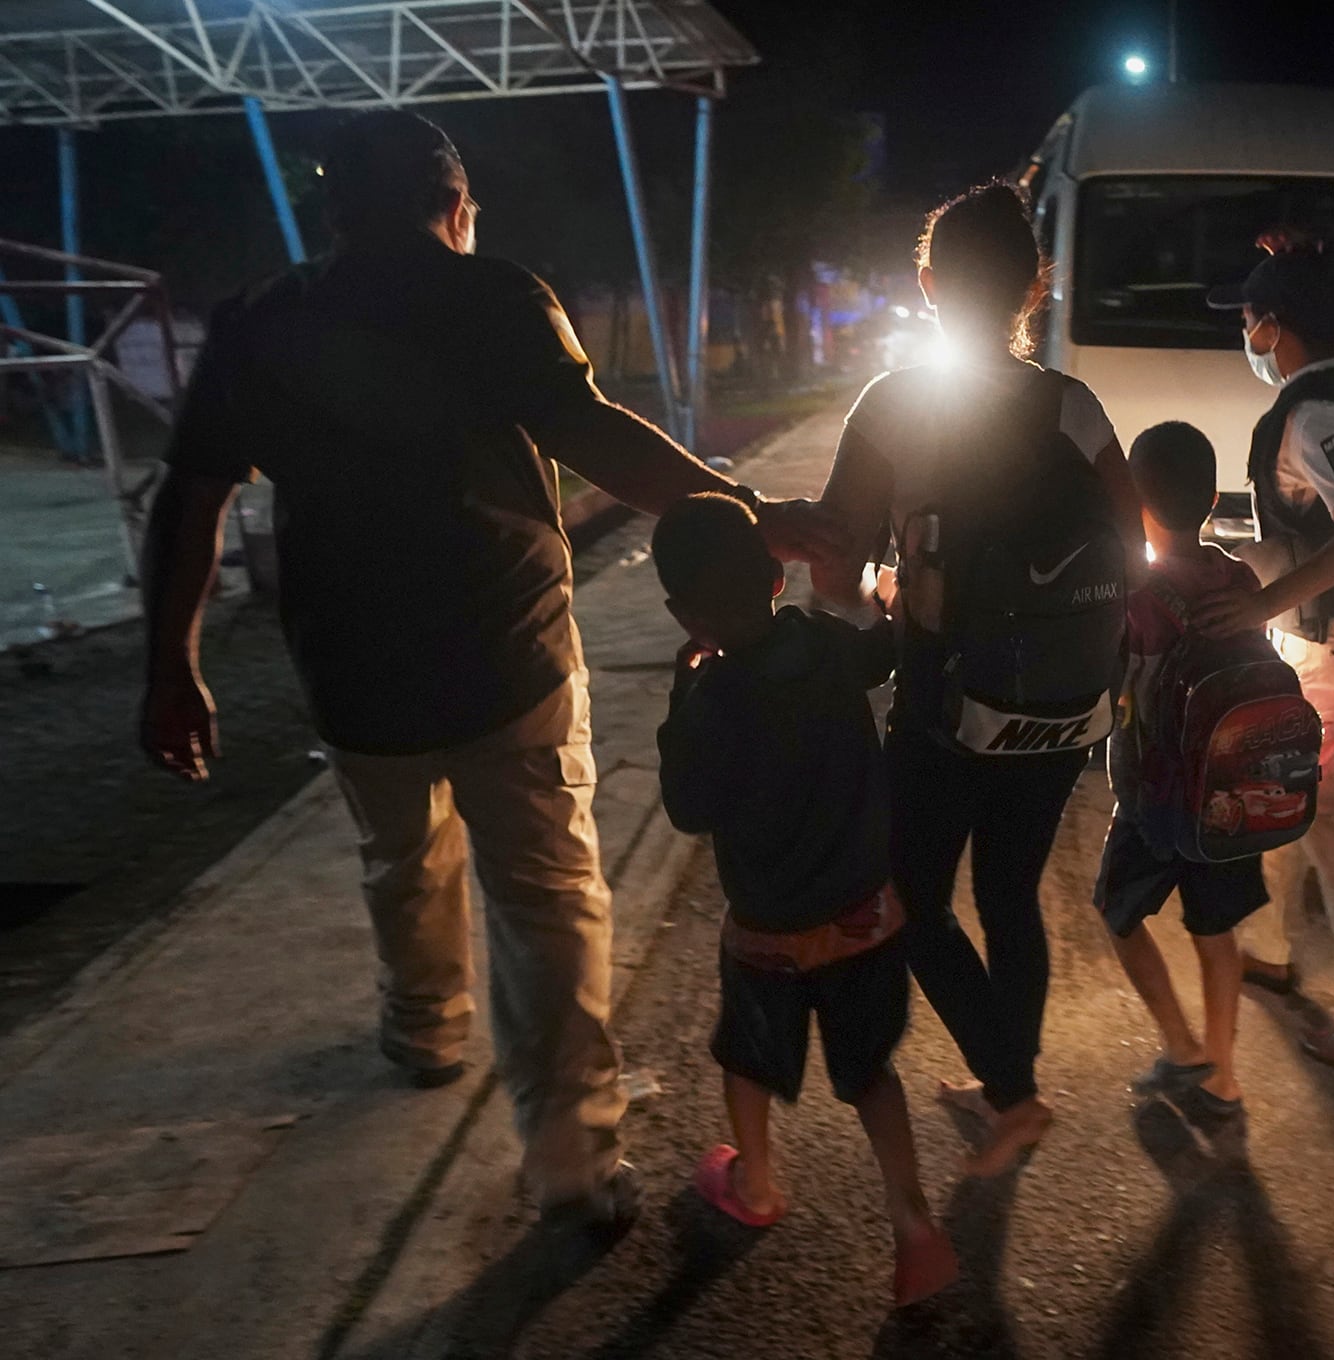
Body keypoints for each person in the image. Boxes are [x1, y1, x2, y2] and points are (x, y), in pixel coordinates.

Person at [138, 111, 842, 1234]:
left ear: (332, 215)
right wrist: (749, 517)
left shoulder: (262, 322)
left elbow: (191, 495)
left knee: (399, 853)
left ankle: (424, 1027)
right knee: (548, 898)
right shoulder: (495, 296)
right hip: (503, 657)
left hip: (351, 671)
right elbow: (593, 432)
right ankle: (568, 1155)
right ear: (456, 206)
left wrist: (169, 666)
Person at [813, 182, 1145, 1176]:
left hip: (944, 701)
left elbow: (834, 565)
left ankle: (1009, 1087)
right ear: (1037, 286)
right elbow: (1131, 544)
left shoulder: (896, 404)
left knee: (912, 892)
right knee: (1009, 890)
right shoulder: (1072, 406)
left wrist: (874, 609)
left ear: (925, 285)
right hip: (1062, 707)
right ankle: (1016, 1088)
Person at [652, 493, 957, 1308]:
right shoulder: (821, 645)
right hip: (864, 913)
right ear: (776, 578)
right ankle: (915, 1225)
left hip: (769, 932)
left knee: (746, 1058)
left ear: (686, 615)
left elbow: (688, 808)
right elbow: (881, 656)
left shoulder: (711, 699)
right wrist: (889, 599)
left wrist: (682, 695)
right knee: (870, 1074)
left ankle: (754, 1184)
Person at [1196, 245, 1334, 1078]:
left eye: (1249, 321)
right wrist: (1227, 557)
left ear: (1274, 327)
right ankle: (1267, 944)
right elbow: (1318, 533)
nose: (1246, 336)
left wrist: (1255, 603)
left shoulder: (1313, 414)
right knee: (1287, 791)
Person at [1094, 422, 1268, 1123]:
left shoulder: (1134, 593)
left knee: (1118, 910)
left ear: (1132, 500)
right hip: (1229, 795)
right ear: (1215, 496)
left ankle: (1180, 1042)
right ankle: (1222, 1074)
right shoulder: (1238, 579)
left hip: (1154, 796)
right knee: (1216, 928)